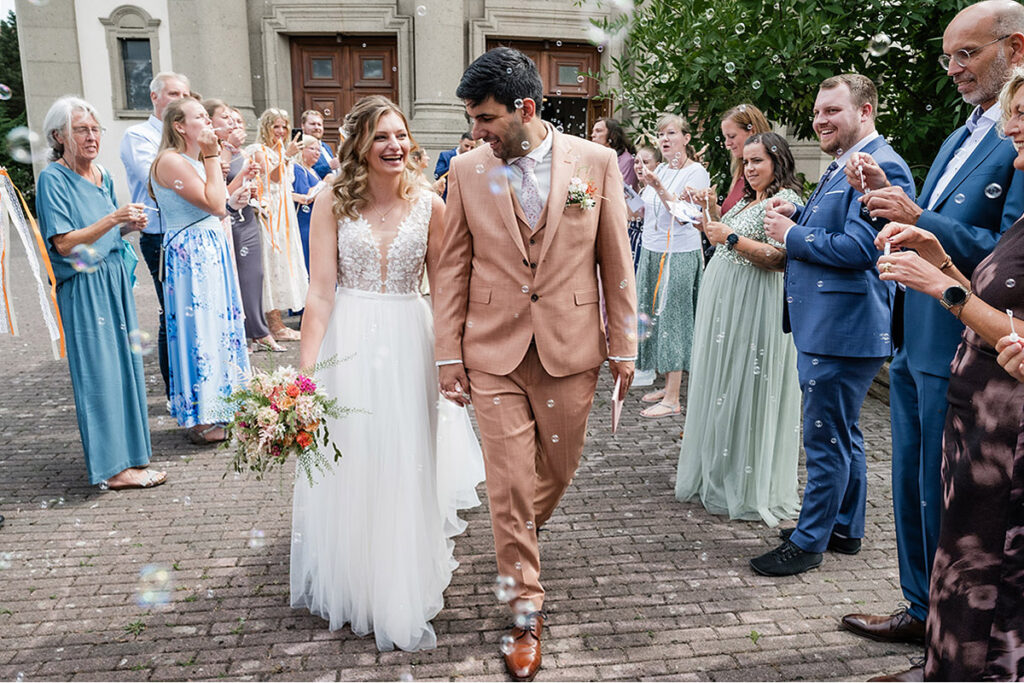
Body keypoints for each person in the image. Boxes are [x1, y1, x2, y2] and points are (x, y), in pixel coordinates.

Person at [433, 47, 637, 681]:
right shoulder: (466, 170)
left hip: (571, 348)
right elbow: (452, 266)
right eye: (471, 120)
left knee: (559, 467)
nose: (477, 132)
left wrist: (624, 344)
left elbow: (615, 260)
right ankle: (524, 607)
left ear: (525, 108)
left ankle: (518, 527)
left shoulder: (595, 163)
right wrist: (448, 354)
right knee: (510, 483)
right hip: (491, 351)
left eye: (486, 118)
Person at [839, 0, 1024, 649]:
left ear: (1015, 48)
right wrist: (887, 197)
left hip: (967, 343)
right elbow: (933, 224)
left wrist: (921, 217)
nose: (953, 68)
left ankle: (948, 634)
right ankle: (919, 606)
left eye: (967, 53)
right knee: (914, 486)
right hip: (915, 337)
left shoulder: (1016, 139)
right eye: (948, 57)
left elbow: (1007, 254)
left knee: (951, 498)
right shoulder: (958, 134)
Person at [291, 95, 484, 652]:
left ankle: (400, 582)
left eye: (400, 135)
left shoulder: (431, 205)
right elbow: (320, 292)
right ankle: (356, 578)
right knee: (353, 458)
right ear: (359, 145)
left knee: (404, 458)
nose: (395, 145)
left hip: (409, 340)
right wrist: (306, 374)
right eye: (381, 136)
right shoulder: (331, 201)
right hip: (347, 341)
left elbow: (446, 292)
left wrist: (452, 360)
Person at [754, 74, 915, 576]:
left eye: (832, 111)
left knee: (824, 438)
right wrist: (800, 210)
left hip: (843, 328)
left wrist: (792, 233)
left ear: (865, 112)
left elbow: (863, 249)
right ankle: (844, 527)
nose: (820, 120)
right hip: (835, 325)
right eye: (817, 112)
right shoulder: (848, 160)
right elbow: (840, 223)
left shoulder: (881, 165)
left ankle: (808, 541)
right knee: (843, 432)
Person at [36, 96, 164, 489]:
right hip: (84, 286)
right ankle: (111, 469)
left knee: (124, 369)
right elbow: (63, 243)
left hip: (113, 280)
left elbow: (104, 233)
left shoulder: (102, 175)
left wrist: (127, 226)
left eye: (95, 129)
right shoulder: (53, 179)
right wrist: (113, 218)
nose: (92, 137)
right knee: (100, 373)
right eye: (81, 130)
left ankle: (131, 457)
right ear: (59, 136)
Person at [675, 132, 802, 526]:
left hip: (755, 304)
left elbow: (781, 258)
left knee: (748, 384)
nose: (749, 168)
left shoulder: (786, 201)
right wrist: (712, 210)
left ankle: (747, 483)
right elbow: (723, 236)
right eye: (746, 162)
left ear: (778, 160)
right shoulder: (751, 199)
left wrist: (730, 237)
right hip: (727, 303)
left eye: (757, 161)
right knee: (724, 384)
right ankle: (721, 470)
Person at [150, 97, 250, 444]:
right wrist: (212, 156)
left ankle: (224, 406)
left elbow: (218, 205)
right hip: (191, 255)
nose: (208, 121)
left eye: (209, 117)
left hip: (209, 248)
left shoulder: (191, 160)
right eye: (200, 117)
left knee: (219, 328)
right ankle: (201, 417)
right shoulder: (170, 161)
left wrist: (233, 190)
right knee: (200, 332)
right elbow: (214, 204)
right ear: (179, 126)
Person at [633, 114, 710, 419]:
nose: (664, 139)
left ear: (686, 139)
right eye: (661, 134)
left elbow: (685, 217)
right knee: (655, 316)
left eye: (671, 133)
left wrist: (658, 186)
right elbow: (646, 212)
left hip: (678, 253)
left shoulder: (697, 172)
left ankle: (674, 397)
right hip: (651, 251)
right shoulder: (662, 169)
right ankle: (667, 385)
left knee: (674, 319)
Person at [119, 71, 191, 398]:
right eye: (174, 94)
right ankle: (174, 388)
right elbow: (160, 180)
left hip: (190, 232)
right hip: (160, 235)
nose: (180, 101)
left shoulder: (187, 137)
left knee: (191, 311)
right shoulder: (138, 136)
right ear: (155, 97)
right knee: (171, 312)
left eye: (185, 95)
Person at [204, 99, 282, 353]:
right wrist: (242, 176)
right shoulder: (212, 152)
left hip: (247, 216)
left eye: (235, 119)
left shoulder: (240, 152)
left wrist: (254, 190)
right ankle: (246, 333)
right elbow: (220, 195)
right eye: (226, 118)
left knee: (255, 275)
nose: (233, 123)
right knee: (238, 279)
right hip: (229, 220)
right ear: (210, 121)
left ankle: (259, 331)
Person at [250, 108, 309, 340]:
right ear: (266, 127)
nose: (282, 131)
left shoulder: (282, 151)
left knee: (285, 262)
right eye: (276, 126)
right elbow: (271, 180)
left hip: (285, 214)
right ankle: (273, 324)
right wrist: (286, 156)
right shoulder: (258, 151)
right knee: (271, 263)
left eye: (284, 126)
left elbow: (286, 184)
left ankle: (278, 321)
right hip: (270, 213)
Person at [719, 104, 772, 215]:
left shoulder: (764, 176)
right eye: (725, 137)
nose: (727, 144)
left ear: (752, 131)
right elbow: (730, 216)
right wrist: (708, 205)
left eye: (732, 136)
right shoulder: (740, 173)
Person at [626, 144, 662, 274]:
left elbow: (646, 216)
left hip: (648, 244)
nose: (639, 166)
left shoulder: (658, 192)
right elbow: (631, 217)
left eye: (645, 162)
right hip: (633, 241)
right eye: (636, 162)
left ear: (658, 165)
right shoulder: (642, 190)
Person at [292, 135, 324, 275]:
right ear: (301, 149)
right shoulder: (299, 169)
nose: (317, 153)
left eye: (319, 150)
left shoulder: (313, 171)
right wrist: (324, 185)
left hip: (316, 220)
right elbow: (305, 195)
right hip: (305, 222)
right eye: (312, 149)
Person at [591, 117, 638, 190]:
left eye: (598, 131)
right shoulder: (596, 158)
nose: (593, 135)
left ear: (612, 135)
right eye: (593, 131)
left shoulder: (627, 161)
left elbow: (624, 191)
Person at [434, 132, 475, 200]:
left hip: (467, 198)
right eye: (466, 146)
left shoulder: (474, 158)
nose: (468, 150)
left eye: (472, 148)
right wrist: (455, 164)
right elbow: (437, 175)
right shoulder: (445, 155)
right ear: (460, 142)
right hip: (447, 197)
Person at [300, 109, 339, 179]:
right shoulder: (299, 146)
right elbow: (304, 171)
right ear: (303, 126)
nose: (316, 127)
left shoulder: (326, 147)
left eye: (319, 124)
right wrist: (329, 166)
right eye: (312, 124)